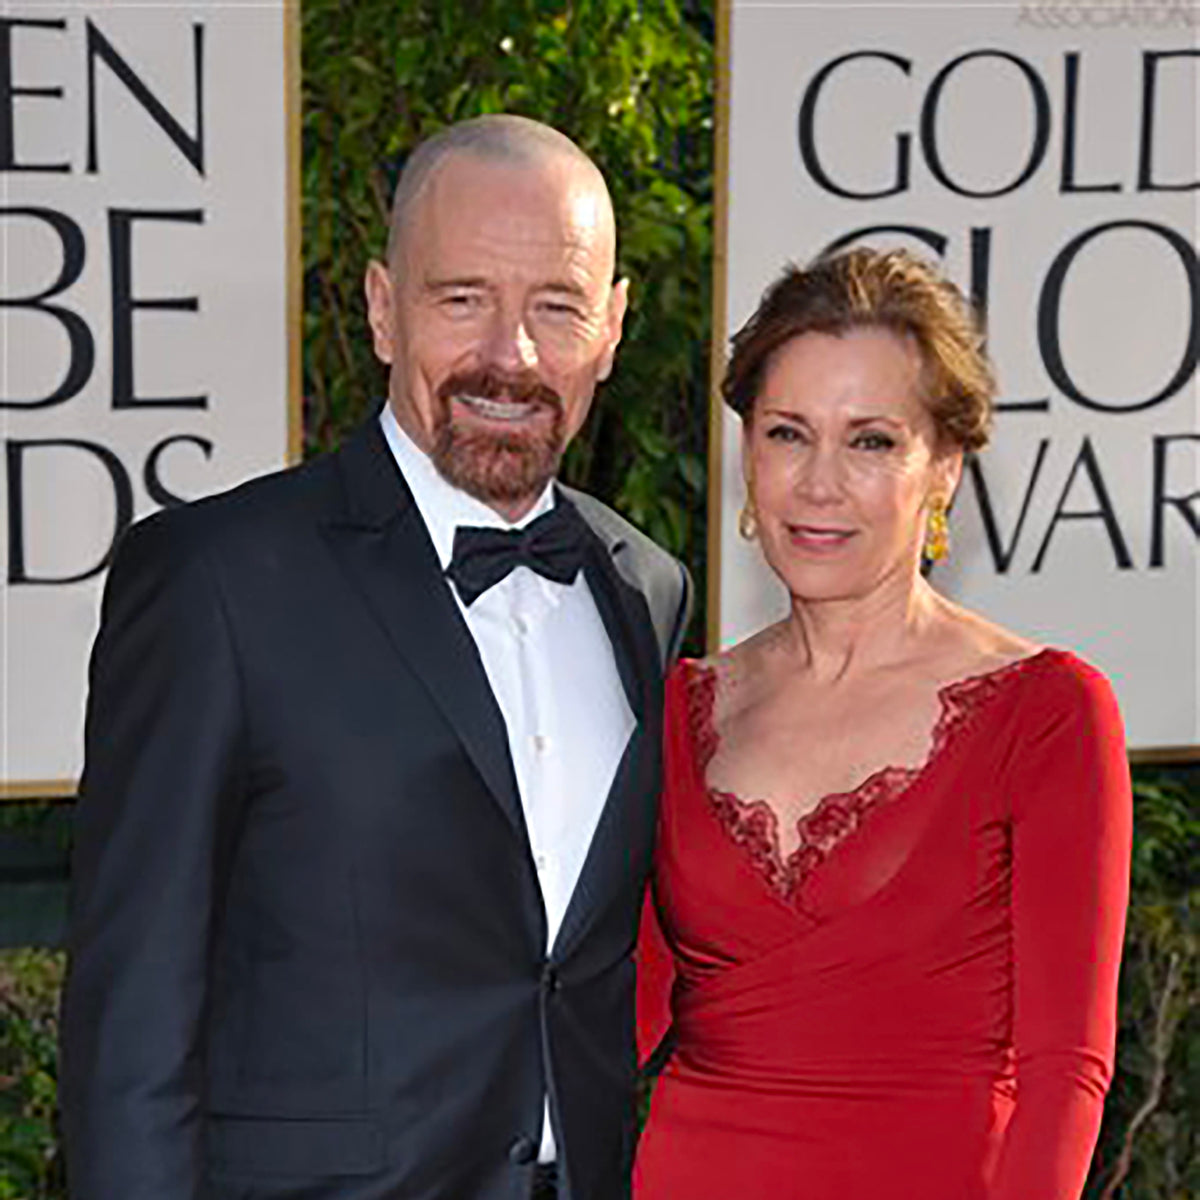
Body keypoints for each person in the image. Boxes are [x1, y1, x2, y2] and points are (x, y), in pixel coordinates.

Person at [60, 114, 690, 1200]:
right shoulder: (218, 581)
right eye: (463, 300)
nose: (514, 354)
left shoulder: (646, 589)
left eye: (557, 305)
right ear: (382, 309)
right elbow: (132, 1017)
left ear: (614, 326)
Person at [634, 246, 1131, 1200]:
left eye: (870, 441)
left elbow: (1067, 1071)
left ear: (943, 466)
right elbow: (617, 1013)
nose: (819, 484)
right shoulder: (680, 707)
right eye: (787, 433)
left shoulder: (1047, 712)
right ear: (747, 453)